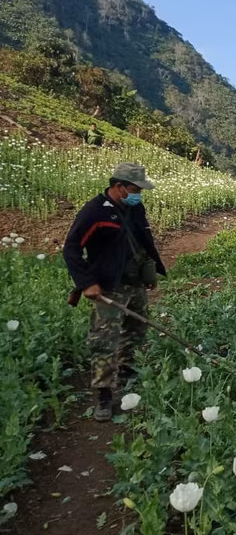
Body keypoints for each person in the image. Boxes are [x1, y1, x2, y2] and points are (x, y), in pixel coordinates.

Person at [63, 163, 166, 422]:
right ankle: (104, 396)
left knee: (136, 332)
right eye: (134, 190)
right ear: (118, 186)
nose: (138, 195)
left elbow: (143, 241)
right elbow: (71, 248)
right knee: (104, 341)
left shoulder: (135, 208)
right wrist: (86, 283)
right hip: (109, 286)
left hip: (135, 282)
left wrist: (149, 273)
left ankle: (128, 378)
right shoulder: (95, 211)